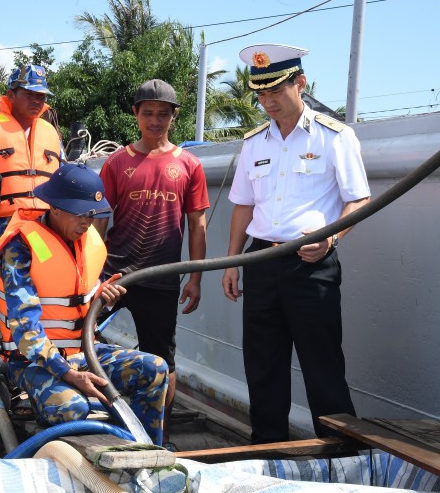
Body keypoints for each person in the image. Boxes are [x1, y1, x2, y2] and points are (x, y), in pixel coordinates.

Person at [222, 43, 371, 444]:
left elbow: (359, 199)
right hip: (262, 261)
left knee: (322, 365)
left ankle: (342, 456)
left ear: (300, 83)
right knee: (263, 365)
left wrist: (331, 238)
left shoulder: (334, 137)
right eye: (261, 93)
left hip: (312, 265)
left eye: (276, 91)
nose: (267, 101)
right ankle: (267, 450)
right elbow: (242, 207)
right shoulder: (254, 143)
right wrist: (233, 262)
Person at [0, 163, 169, 444]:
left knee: (155, 369)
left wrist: (103, 300)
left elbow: (77, 310)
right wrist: (70, 375)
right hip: (31, 362)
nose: (87, 222)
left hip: (82, 352)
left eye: (92, 214)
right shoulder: (19, 248)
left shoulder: (86, 241)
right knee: (71, 408)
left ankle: (145, 453)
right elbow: (26, 332)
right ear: (56, 207)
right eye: (81, 213)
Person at [94, 79, 209, 448]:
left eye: (163, 114)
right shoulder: (116, 162)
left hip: (161, 278)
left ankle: (161, 437)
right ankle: (85, 417)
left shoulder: (189, 165)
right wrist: (90, 276)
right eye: (148, 113)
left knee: (163, 359)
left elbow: (198, 225)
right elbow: (97, 222)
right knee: (74, 339)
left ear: (174, 117)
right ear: (136, 114)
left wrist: (194, 278)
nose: (155, 120)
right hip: (113, 276)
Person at [0, 65, 64, 343]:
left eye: (41, 95)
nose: (37, 100)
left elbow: (62, 182)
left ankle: (35, 347)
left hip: (40, 229)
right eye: (29, 94)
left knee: (37, 287)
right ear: (11, 94)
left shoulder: (52, 134)